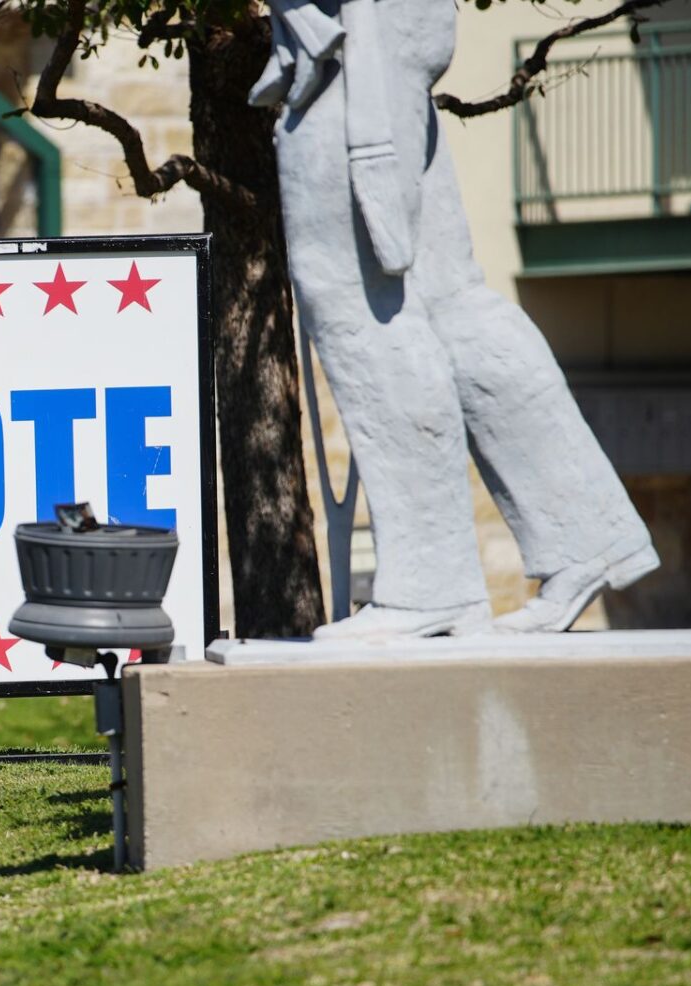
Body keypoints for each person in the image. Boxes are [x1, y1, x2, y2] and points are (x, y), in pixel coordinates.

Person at [254, 0, 658, 638]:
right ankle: (587, 536)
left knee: (363, 312)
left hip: (360, 65)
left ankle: (428, 584)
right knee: (448, 301)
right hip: (383, 61)